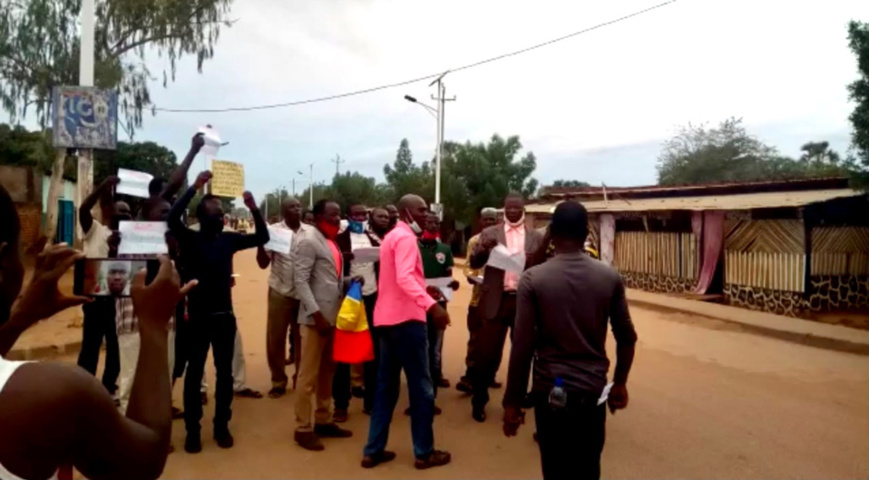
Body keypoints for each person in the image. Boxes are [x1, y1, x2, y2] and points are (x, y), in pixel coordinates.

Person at [0, 182, 194, 480]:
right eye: (18, 250)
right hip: (129, 318)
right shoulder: (52, 393)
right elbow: (143, 462)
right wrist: (154, 328)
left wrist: (16, 322)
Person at [502, 201, 637, 480]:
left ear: (551, 233)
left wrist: (512, 402)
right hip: (593, 391)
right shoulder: (609, 276)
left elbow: (523, 347)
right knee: (588, 467)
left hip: (551, 392)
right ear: (586, 231)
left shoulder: (533, 279)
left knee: (555, 468)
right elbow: (626, 336)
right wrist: (620, 382)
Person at [168, 171, 269, 453]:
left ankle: (222, 426)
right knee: (194, 374)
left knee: (224, 375)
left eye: (222, 213)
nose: (220, 217)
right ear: (202, 217)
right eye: (215, 213)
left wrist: (253, 208)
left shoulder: (229, 240)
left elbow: (263, 235)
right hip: (197, 318)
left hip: (224, 317)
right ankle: (192, 431)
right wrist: (195, 187)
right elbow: (172, 218)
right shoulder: (188, 238)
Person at [361, 194, 451, 470]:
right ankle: (424, 452)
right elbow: (403, 277)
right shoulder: (406, 239)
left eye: (427, 210)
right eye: (420, 210)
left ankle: (373, 450)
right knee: (422, 387)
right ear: (405, 212)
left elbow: (405, 279)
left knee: (385, 388)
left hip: (387, 322)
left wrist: (425, 290)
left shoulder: (391, 237)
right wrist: (432, 305)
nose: (425, 214)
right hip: (408, 323)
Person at [468, 192, 544, 422]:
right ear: (503, 209)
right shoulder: (490, 233)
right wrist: (484, 249)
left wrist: (532, 260)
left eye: (516, 207)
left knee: (522, 356)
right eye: (508, 208)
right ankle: (478, 401)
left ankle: (514, 403)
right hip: (495, 300)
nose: (512, 211)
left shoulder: (535, 237)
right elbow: (474, 262)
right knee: (486, 354)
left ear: (523, 209)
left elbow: (543, 267)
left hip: (523, 301)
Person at [292, 199, 353, 451]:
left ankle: (322, 419)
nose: (337, 219)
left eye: (339, 214)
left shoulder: (332, 242)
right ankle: (302, 428)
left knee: (328, 372)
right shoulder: (308, 240)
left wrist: (349, 280)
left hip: (333, 318)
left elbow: (329, 280)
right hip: (315, 321)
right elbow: (300, 281)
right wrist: (316, 315)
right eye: (331, 214)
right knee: (307, 376)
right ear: (317, 216)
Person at [77, 176, 131, 397]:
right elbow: (83, 208)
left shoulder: (131, 238)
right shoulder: (95, 230)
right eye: (118, 211)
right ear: (108, 212)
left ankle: (108, 388)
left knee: (116, 348)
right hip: (95, 298)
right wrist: (102, 188)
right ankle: (84, 389)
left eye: (126, 212)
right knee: (90, 345)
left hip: (119, 300)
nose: (122, 215)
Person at [257, 197, 312, 398]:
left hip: (304, 293)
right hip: (280, 291)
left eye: (299, 206)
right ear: (283, 211)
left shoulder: (310, 232)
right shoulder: (275, 232)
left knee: (302, 339)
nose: (297, 209)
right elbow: (263, 264)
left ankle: (301, 377)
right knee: (276, 338)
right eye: (292, 206)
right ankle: (278, 380)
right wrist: (260, 242)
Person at [332, 202, 382, 422]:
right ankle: (341, 405)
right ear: (348, 216)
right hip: (348, 300)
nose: (360, 218)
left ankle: (371, 401)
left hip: (372, 299)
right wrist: (344, 258)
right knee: (344, 353)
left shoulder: (374, 240)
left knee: (373, 352)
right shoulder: (339, 241)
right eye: (356, 214)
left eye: (363, 214)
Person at [456, 207, 500, 394]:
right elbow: (468, 270)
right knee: (475, 340)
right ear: (480, 221)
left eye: (492, 220)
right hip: (478, 299)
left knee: (495, 341)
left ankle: (489, 376)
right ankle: (470, 377)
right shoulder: (475, 241)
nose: (489, 223)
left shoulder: (503, 243)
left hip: (499, 300)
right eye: (486, 220)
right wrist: (481, 280)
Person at [418, 211, 459, 399]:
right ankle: (422, 384)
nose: (433, 225)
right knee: (420, 346)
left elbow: (448, 274)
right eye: (429, 222)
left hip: (439, 303)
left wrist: (451, 284)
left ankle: (433, 383)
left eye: (436, 222)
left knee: (435, 347)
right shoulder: (413, 247)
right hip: (417, 303)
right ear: (422, 224)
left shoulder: (445, 249)